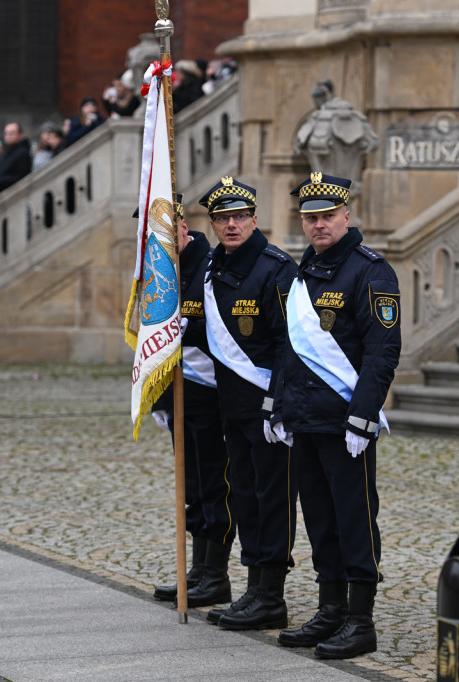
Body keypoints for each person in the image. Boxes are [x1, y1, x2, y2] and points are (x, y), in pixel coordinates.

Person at [272, 173, 401, 660]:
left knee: (355, 519)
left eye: (327, 215)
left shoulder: (371, 271)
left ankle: (360, 619)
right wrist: (280, 406)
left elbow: (382, 351)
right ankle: (330, 609)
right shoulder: (305, 271)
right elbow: (290, 347)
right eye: (311, 217)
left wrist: (363, 417)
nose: (319, 224)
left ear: (347, 215)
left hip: (345, 423)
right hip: (305, 420)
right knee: (320, 519)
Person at [199, 176, 298, 631]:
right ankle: (252, 589)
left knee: (271, 497)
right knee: (244, 496)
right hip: (232, 406)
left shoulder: (276, 268)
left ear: (255, 219)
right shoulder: (213, 266)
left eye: (239, 216)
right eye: (223, 218)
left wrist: (275, 404)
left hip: (266, 409)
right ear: (214, 225)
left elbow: (289, 344)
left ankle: (270, 595)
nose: (232, 225)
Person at [148, 196, 235, 608]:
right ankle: (197, 571)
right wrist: (160, 401)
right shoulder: (163, 270)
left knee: (214, 487)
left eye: (166, 230)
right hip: (182, 394)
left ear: (184, 228)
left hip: (213, 394)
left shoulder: (209, 265)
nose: (158, 240)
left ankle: (215, 575)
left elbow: (216, 333)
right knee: (193, 487)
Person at [0, 123, 31, 198]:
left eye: (12, 133)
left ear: (20, 135)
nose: (8, 136)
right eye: (6, 133)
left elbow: (21, 177)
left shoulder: (23, 153)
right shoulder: (6, 153)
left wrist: (0, 181)